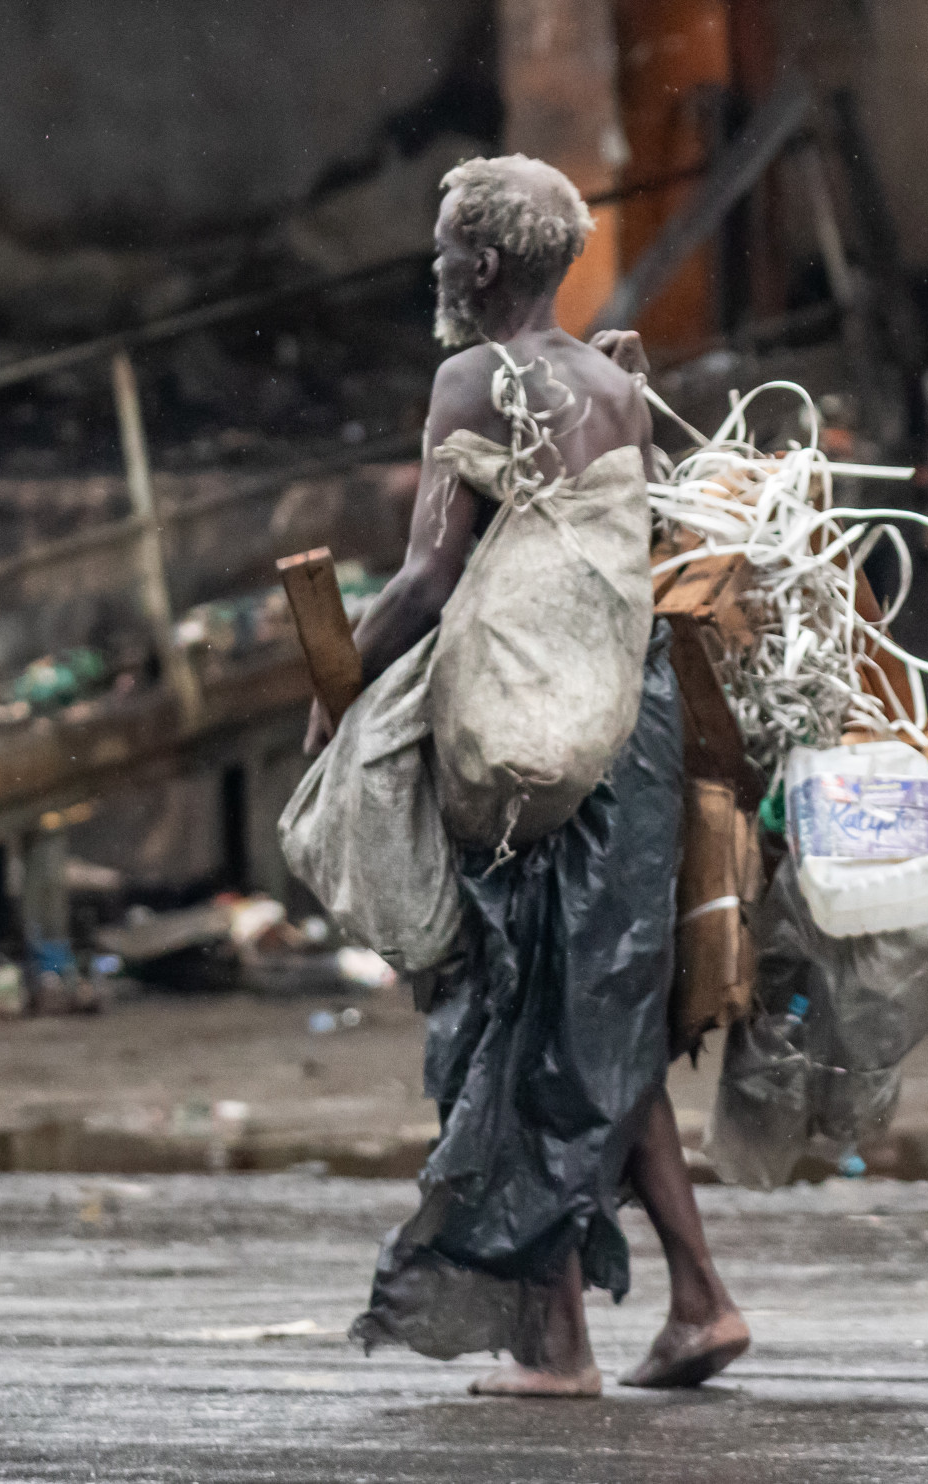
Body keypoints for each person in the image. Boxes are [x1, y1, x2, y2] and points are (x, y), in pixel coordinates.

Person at [309, 154, 748, 1398]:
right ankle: (701, 1299)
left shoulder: (470, 378)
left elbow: (429, 579)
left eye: (448, 244)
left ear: (483, 265)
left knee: (513, 1027)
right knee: (600, 1027)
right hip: (631, 734)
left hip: (528, 753)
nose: (437, 264)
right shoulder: (614, 382)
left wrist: (331, 691)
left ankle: (557, 1347)